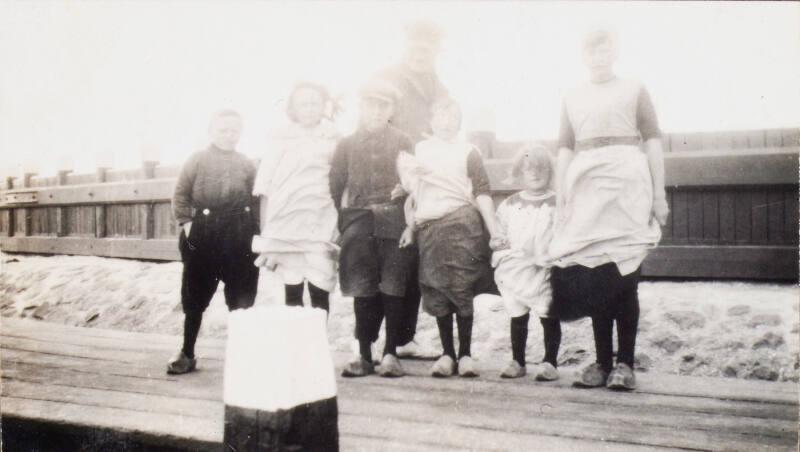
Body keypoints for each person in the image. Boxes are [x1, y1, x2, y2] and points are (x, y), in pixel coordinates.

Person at [548, 29, 669, 390]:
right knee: (594, 273)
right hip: (586, 185)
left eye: (604, 50)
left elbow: (652, 142)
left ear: (614, 52)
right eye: (591, 51)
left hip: (627, 184)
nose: (598, 57)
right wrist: (562, 194)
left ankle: (625, 364)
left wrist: (658, 194)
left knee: (625, 272)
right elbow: (565, 148)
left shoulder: (634, 88)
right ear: (583, 56)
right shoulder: (572, 95)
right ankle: (602, 362)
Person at [397, 98, 499, 378]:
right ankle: (447, 354)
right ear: (431, 121)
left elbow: (482, 191)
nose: (446, 122)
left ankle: (465, 354)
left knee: (461, 286)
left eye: (452, 116)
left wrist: (494, 231)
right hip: (430, 227)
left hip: (462, 224)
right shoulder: (420, 150)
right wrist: (411, 227)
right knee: (437, 288)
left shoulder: (469, 151)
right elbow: (413, 193)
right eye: (441, 116)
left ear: (459, 121)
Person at [329, 79, 414, 378]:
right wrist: (345, 220)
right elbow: (336, 184)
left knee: (393, 285)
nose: (377, 111)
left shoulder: (403, 140)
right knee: (362, 286)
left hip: (394, 219)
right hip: (359, 220)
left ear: (392, 109)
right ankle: (364, 354)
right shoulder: (346, 144)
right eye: (371, 105)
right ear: (361, 107)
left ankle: (390, 353)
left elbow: (414, 182)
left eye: (383, 105)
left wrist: (406, 202)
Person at [376, 20, 450, 357]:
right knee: (388, 258)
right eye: (415, 46)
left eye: (428, 47)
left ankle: (405, 338)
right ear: (406, 45)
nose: (421, 53)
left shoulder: (439, 87)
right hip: (391, 180)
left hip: (424, 179)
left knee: (416, 256)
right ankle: (373, 338)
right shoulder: (387, 79)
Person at [168, 109, 260, 375]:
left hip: (239, 233)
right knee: (195, 294)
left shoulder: (246, 163)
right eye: (223, 130)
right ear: (211, 131)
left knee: (242, 297)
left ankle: (241, 356)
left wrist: (255, 232)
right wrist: (188, 225)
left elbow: (256, 200)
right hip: (204, 232)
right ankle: (187, 352)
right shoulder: (197, 159)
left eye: (234, 130)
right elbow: (180, 194)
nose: (229, 135)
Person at [251, 82, 340, 314]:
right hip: (286, 218)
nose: (309, 109)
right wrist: (266, 228)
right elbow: (265, 183)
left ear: (323, 106)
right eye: (303, 104)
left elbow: (340, 177)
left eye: (314, 103)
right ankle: (296, 337)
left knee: (320, 284)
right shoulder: (281, 138)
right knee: (292, 286)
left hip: (320, 217)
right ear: (293, 108)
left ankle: (318, 336)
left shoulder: (332, 137)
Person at [491, 144, 561, 380]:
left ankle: (550, 362)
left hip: (544, 268)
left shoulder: (558, 203)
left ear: (550, 171)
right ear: (519, 172)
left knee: (548, 314)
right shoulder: (510, 204)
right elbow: (499, 232)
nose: (535, 173)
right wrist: (498, 243)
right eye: (529, 168)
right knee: (517, 314)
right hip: (516, 269)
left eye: (541, 168)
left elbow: (565, 232)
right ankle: (518, 361)